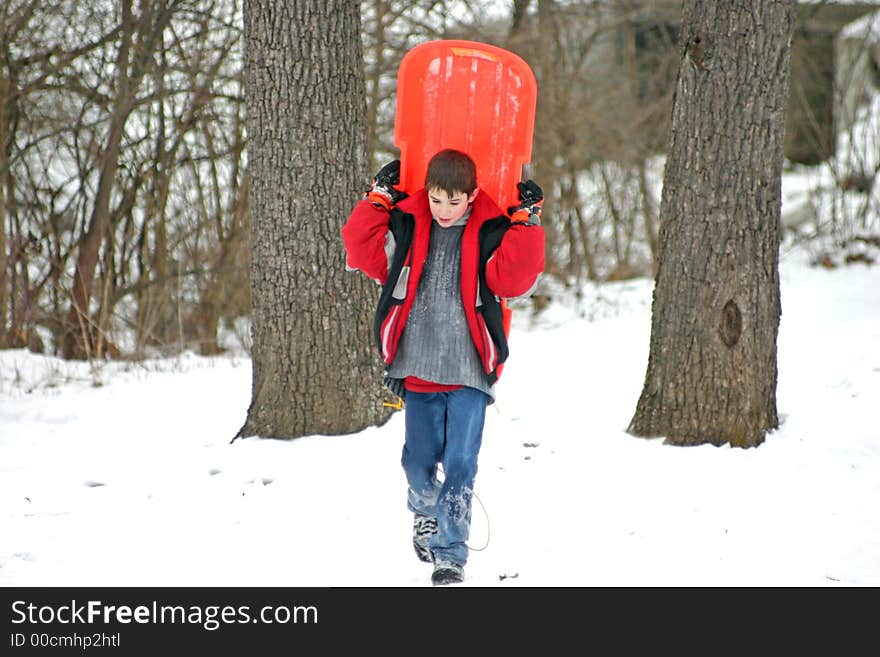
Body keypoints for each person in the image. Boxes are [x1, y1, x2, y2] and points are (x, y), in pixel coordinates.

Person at [341, 149, 545, 585]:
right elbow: (360, 252)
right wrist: (378, 198)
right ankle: (426, 512)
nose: (445, 210)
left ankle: (450, 554)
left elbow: (516, 280)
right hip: (418, 367)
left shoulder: (490, 232)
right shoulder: (408, 229)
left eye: (455, 201)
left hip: (469, 370)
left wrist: (525, 221)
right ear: (427, 195)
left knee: (460, 464)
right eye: (437, 200)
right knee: (417, 463)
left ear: (472, 196)